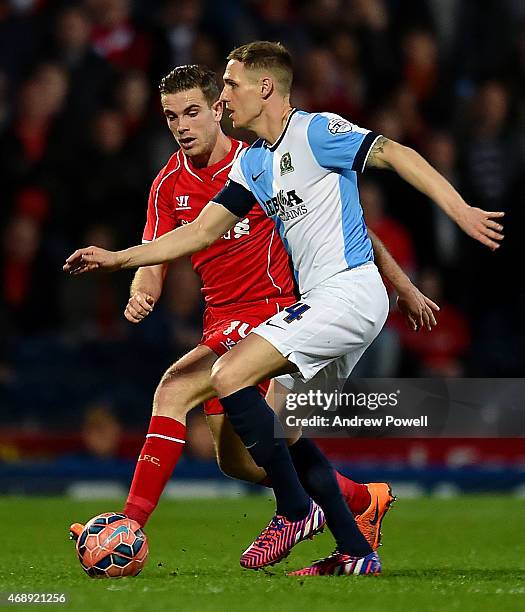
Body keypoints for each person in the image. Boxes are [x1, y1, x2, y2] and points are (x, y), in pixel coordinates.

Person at [65, 41, 503, 575]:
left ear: (263, 88)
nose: (223, 98)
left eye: (226, 88)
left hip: (320, 299)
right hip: (301, 307)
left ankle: (285, 511)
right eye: (176, 113)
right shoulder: (250, 165)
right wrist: (122, 264)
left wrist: (455, 217)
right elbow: (198, 232)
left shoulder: (315, 131)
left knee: (203, 381)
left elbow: (394, 159)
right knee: (265, 445)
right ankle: (357, 540)